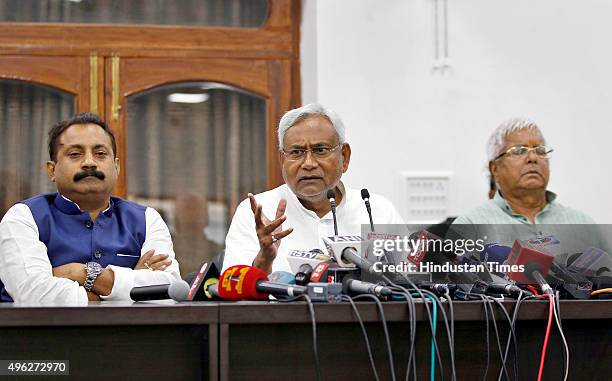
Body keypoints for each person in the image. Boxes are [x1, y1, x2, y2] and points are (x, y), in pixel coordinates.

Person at [0, 113, 181, 304]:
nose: (89, 162)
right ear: (52, 170)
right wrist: (125, 288)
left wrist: (79, 273)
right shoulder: (24, 217)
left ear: (116, 167)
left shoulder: (146, 219)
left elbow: (169, 291)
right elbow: (35, 294)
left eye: (100, 154)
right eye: (75, 154)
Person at [223, 103, 405, 274]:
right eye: (296, 152)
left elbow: (411, 284)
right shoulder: (257, 212)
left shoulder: (377, 211)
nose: (308, 164)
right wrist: (264, 259)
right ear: (282, 160)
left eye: (320, 150)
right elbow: (233, 290)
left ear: (344, 156)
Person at [450, 118, 609, 260]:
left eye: (540, 151)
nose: (533, 158)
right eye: (519, 151)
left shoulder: (583, 224)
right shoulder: (471, 225)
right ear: (495, 168)